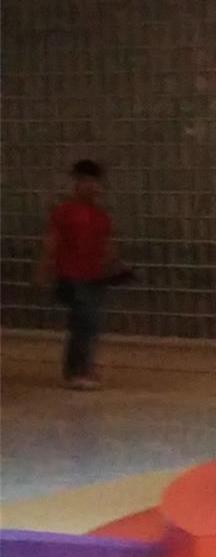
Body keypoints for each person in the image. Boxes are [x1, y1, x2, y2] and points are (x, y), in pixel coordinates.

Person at [39, 158, 115, 390]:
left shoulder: (100, 216)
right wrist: (44, 269)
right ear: (78, 183)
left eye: (96, 182)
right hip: (71, 275)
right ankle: (77, 370)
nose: (93, 187)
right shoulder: (64, 211)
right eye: (88, 181)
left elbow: (106, 245)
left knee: (89, 324)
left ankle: (81, 367)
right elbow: (51, 242)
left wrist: (113, 267)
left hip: (94, 277)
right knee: (85, 320)